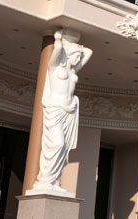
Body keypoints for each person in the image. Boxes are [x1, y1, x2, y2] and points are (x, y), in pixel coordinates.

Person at [31, 29, 93, 193]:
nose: (78, 59)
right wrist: (59, 41)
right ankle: (45, 180)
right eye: (76, 56)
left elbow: (89, 52)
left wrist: (78, 49)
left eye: (78, 57)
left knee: (63, 148)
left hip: (68, 113)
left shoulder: (73, 71)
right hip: (56, 110)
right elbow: (57, 52)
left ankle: (55, 181)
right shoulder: (55, 68)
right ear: (68, 54)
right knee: (57, 144)